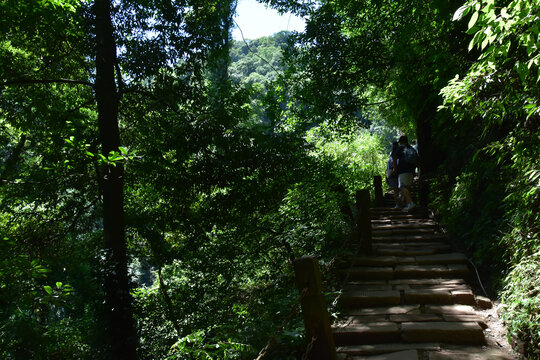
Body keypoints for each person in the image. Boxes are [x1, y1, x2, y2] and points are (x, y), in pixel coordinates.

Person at [392, 135, 419, 212]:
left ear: (400, 142)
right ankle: (405, 204)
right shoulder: (411, 148)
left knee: (402, 187)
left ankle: (410, 203)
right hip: (411, 170)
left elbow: (394, 157)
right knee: (407, 187)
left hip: (403, 170)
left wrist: (395, 168)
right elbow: (417, 161)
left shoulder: (400, 148)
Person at [386, 141, 402, 208]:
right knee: (401, 189)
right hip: (399, 173)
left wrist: (386, 177)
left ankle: (398, 204)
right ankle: (401, 203)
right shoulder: (400, 154)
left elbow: (388, 167)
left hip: (392, 175)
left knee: (395, 191)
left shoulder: (391, 156)